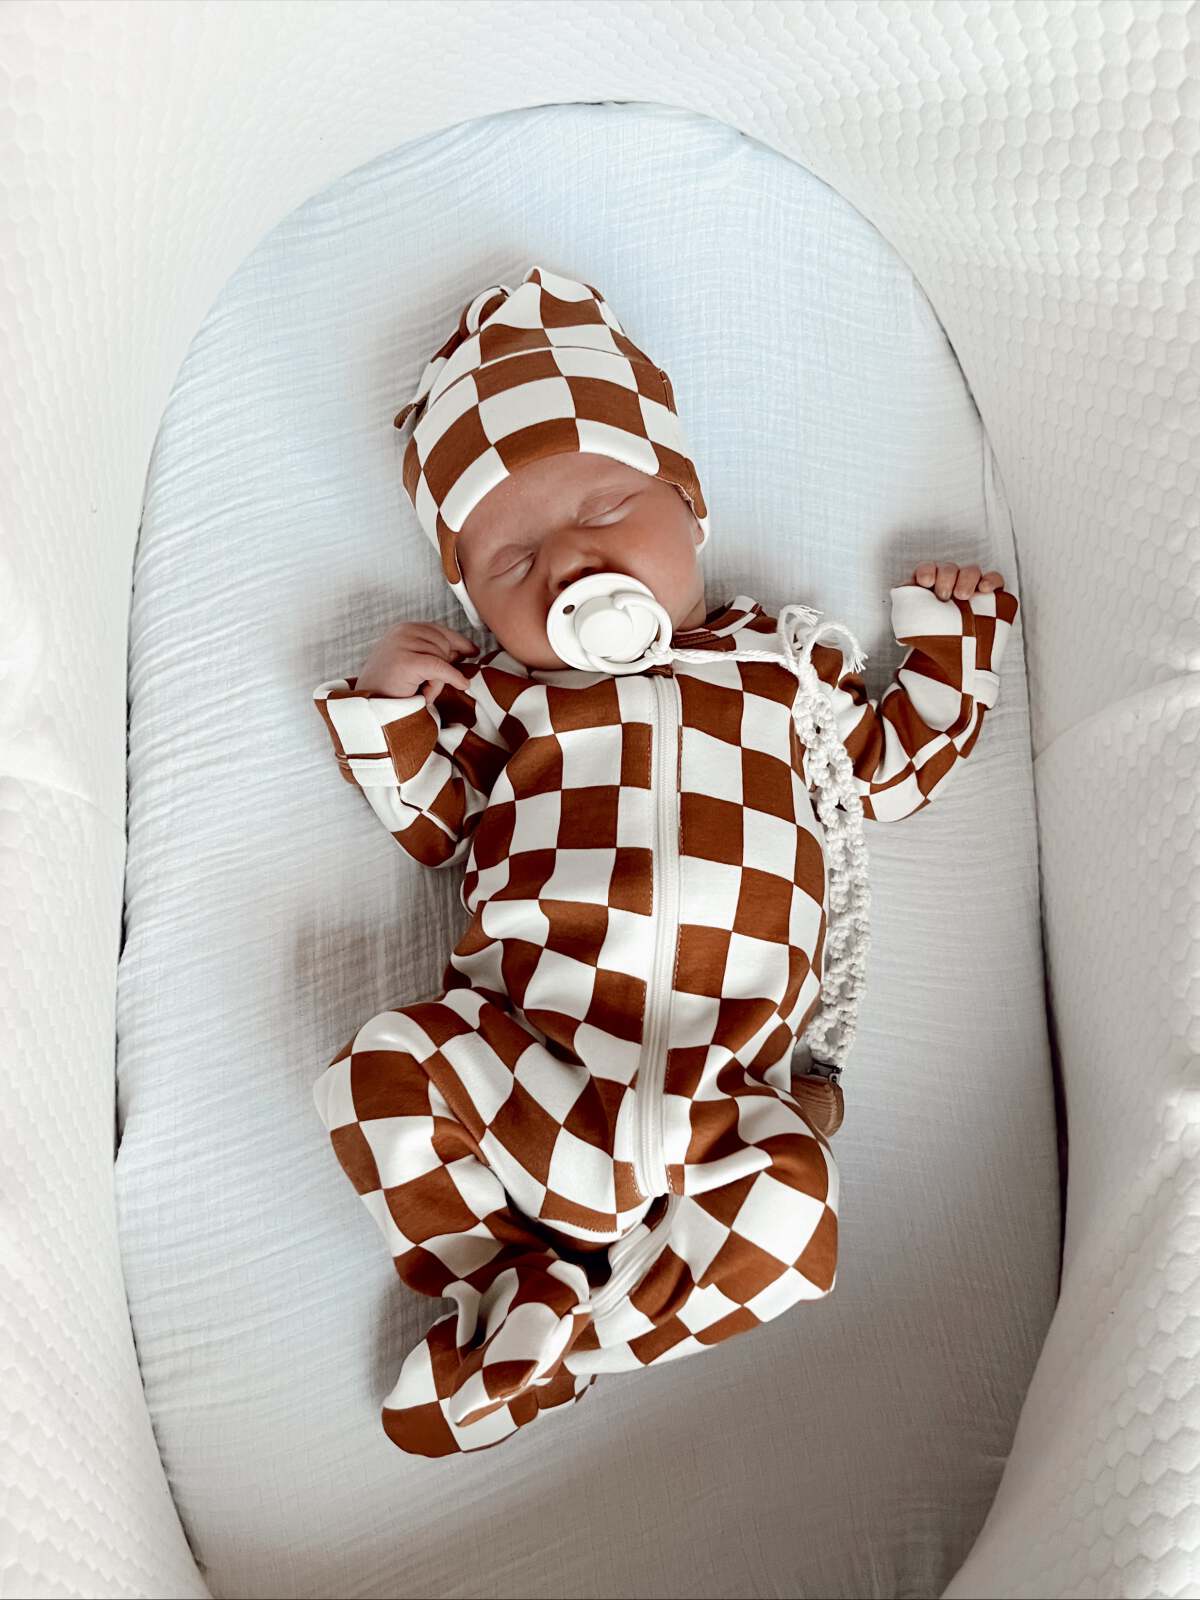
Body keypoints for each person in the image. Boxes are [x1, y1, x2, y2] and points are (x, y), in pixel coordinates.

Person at [310, 264, 1018, 1457]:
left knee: (795, 1219)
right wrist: (391, 709)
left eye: (603, 510)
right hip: (537, 1073)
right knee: (380, 1071)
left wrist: (952, 645)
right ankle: (501, 1275)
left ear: (690, 507)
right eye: (510, 563)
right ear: (473, 606)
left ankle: (565, 1345)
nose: (567, 564)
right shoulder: (507, 700)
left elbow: (886, 773)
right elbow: (435, 825)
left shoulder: (782, 668)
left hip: (718, 1104)